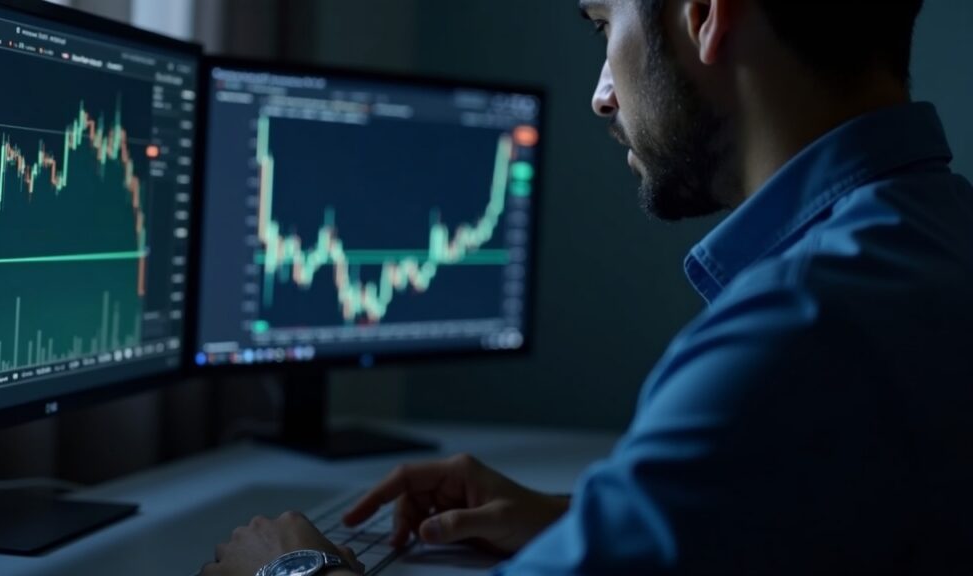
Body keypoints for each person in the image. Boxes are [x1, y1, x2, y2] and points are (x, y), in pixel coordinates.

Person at [204, 0, 973, 574]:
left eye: (606, 25)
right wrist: (588, 524)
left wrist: (293, 570)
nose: (602, 94)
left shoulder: (791, 335)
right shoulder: (939, 236)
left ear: (704, 15)